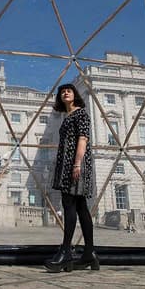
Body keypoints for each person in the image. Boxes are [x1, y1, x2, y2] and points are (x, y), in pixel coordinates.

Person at [44, 83, 97, 272]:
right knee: (81, 207)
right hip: (70, 163)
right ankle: (89, 253)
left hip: (75, 164)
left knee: (69, 206)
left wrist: (76, 164)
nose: (65, 93)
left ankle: (66, 251)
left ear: (75, 95)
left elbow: (83, 139)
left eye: (69, 90)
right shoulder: (67, 116)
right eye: (62, 91)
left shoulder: (80, 113)